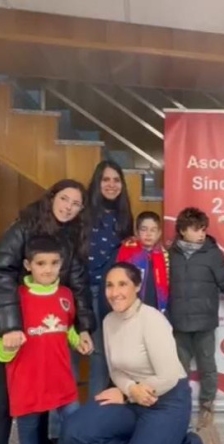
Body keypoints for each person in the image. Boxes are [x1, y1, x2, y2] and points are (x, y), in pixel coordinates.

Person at [63, 262, 224, 444]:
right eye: (109, 285)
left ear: (137, 286)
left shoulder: (151, 319)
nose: (114, 292)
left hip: (166, 403)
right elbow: (115, 371)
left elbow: (168, 377)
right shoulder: (109, 321)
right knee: (74, 433)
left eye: (122, 284)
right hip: (132, 398)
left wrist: (130, 392)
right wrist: (129, 389)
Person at [0, 179, 95, 444]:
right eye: (65, 199)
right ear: (52, 197)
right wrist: (10, 325)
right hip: (13, 328)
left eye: (76, 204)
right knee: (5, 402)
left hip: (49, 327)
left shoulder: (72, 236)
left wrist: (84, 326)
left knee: (46, 393)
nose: (69, 207)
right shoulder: (23, 227)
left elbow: (78, 284)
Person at [168, 207, 224, 429]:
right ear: (182, 230)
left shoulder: (212, 253)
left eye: (203, 229)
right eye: (196, 229)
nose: (201, 234)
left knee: (207, 366)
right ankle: (179, 408)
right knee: (178, 369)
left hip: (204, 322)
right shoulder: (170, 254)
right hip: (179, 322)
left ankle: (207, 406)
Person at [82, 160, 134, 397]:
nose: (111, 185)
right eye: (106, 179)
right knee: (74, 352)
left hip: (110, 294)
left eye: (116, 180)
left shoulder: (124, 216)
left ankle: (97, 410)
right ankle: (60, 419)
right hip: (80, 290)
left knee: (103, 353)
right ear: (97, 182)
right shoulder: (84, 212)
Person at [116, 211, 169, 313]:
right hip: (131, 308)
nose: (148, 234)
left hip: (155, 309)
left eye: (153, 230)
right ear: (136, 232)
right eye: (144, 229)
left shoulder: (163, 254)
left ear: (159, 233)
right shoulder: (127, 252)